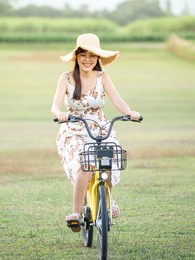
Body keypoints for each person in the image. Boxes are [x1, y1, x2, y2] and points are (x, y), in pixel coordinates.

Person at [51, 33, 141, 229]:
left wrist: (130, 112)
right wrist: (60, 114)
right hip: (73, 129)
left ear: (98, 58)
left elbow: (117, 100)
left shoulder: (102, 77)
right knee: (85, 165)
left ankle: (108, 199)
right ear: (76, 57)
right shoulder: (65, 78)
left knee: (107, 161)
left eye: (92, 56)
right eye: (83, 55)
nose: (87, 60)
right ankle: (76, 212)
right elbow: (55, 106)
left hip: (100, 129)